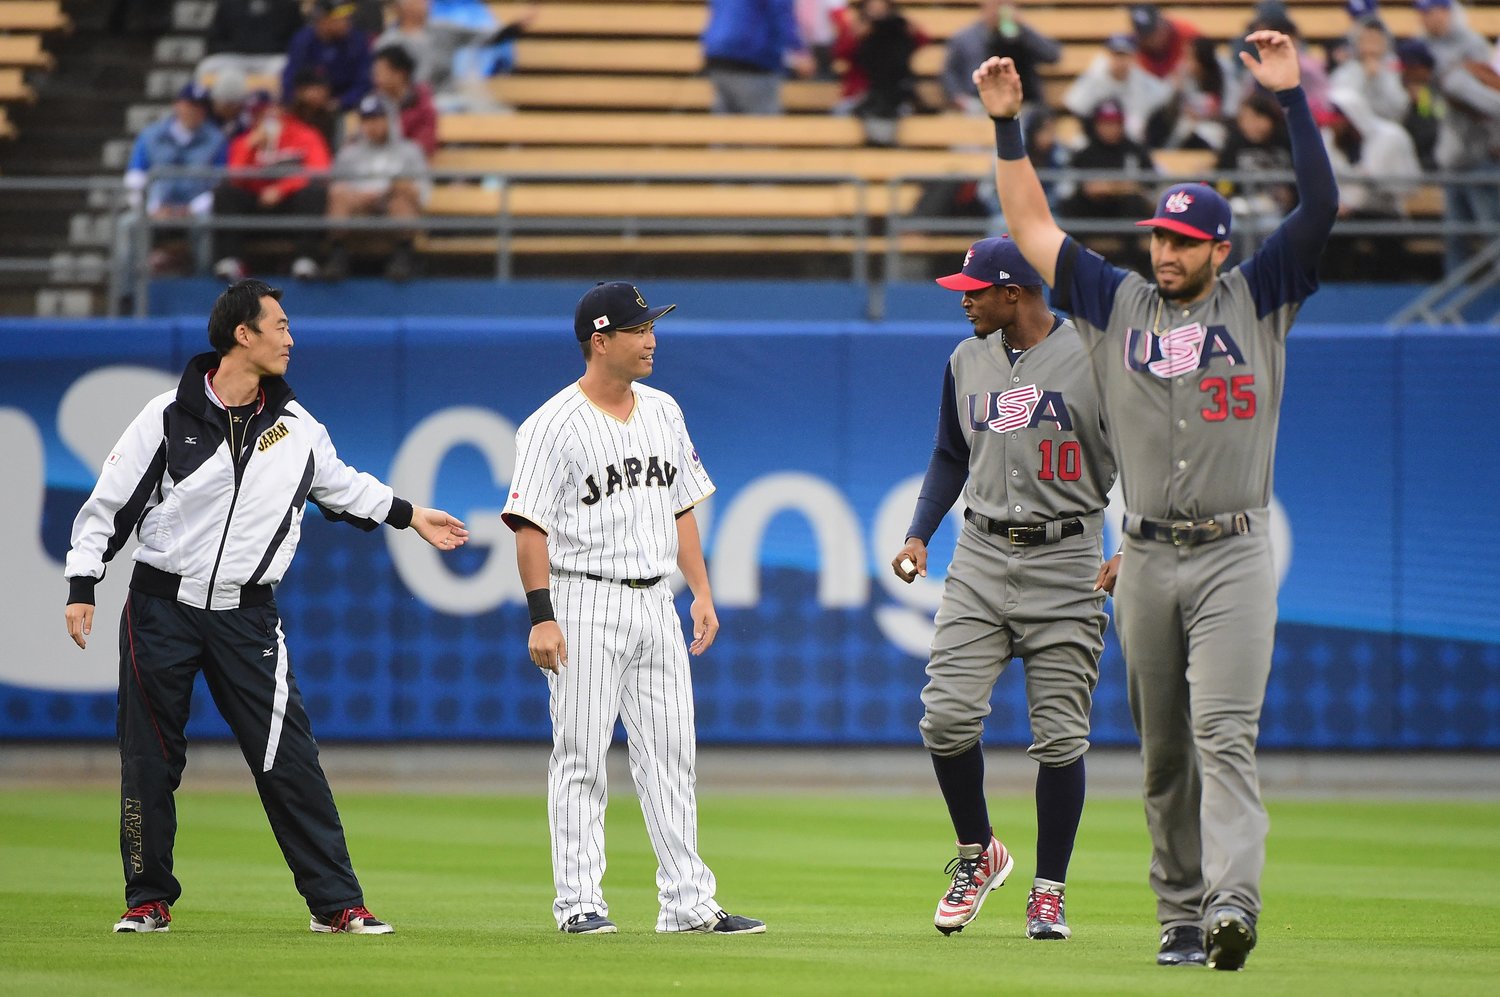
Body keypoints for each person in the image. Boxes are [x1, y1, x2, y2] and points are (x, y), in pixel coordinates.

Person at [975, 28, 1337, 971]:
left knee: (1225, 733)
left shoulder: (1260, 296)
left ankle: (1233, 906)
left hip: (1232, 550)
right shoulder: (1116, 301)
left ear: (1219, 245)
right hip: (1143, 553)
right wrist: (1009, 129)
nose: (1165, 249)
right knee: (1165, 749)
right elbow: (1033, 230)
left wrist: (1293, 98)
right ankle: (1179, 913)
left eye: (1182, 240)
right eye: (1158, 236)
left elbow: (1321, 205)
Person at [63, 279, 470, 936]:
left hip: (248, 617)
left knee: (290, 758)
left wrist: (411, 514)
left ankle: (336, 903)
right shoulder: (165, 415)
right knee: (148, 758)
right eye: (278, 324)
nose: (290, 336)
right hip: (159, 608)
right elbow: (109, 506)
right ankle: (146, 898)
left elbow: (343, 487)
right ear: (241, 335)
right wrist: (83, 583)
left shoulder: (299, 428)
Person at [501, 282, 764, 937]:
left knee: (672, 756)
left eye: (651, 328)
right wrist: (541, 614)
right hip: (583, 596)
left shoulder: (664, 410)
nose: (651, 339)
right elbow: (528, 527)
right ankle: (579, 902)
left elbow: (682, 507)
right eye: (637, 329)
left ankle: (688, 902)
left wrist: (700, 590)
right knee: (582, 754)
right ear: (600, 338)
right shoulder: (551, 423)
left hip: (656, 602)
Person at [890, 237, 1119, 941]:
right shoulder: (966, 359)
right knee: (946, 717)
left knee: (1060, 738)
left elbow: (1148, 450)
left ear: (1013, 291)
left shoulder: (1094, 355)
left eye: (975, 289)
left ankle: (1048, 891)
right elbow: (948, 453)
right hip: (982, 553)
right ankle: (977, 851)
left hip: (1069, 555)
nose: (964, 299)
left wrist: (1133, 541)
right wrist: (919, 531)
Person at [213, 92, 333, 282]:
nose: (263, 118)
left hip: (291, 205)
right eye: (257, 114)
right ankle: (231, 260)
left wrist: (282, 189)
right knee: (225, 193)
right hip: (255, 205)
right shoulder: (243, 141)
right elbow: (234, 178)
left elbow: (320, 172)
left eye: (267, 112)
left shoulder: (305, 135)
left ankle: (306, 259)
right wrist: (249, 146)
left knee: (314, 193)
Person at [122, 83, 228, 276]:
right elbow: (134, 178)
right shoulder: (150, 136)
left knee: (207, 225)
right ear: (177, 105)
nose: (195, 111)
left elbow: (221, 183)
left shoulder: (216, 139)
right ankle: (128, 294)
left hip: (196, 209)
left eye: (201, 107)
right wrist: (151, 208)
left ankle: (201, 285)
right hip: (156, 207)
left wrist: (193, 208)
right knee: (128, 224)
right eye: (190, 105)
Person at [325, 94, 429, 282]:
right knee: (338, 193)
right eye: (366, 120)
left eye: (377, 118)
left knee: (403, 191)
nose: (371, 125)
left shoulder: (410, 151)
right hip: (359, 205)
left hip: (393, 204)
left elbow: (422, 192)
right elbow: (337, 185)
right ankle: (338, 254)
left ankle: (404, 253)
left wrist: (391, 190)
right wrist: (360, 195)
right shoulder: (349, 154)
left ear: (390, 120)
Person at [376, 0, 538, 106]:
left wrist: (515, 27)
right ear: (402, 7)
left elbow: (487, 38)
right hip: (405, 105)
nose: (426, 4)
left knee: (487, 109)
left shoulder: (443, 29)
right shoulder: (388, 42)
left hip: (448, 97)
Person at [942, 1, 1059, 115]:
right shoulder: (964, 38)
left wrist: (1023, 28)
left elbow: (1052, 55)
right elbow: (950, 74)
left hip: (1022, 103)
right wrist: (959, 98)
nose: (998, 8)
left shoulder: (1021, 36)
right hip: (977, 104)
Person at [701, 0, 815, 115]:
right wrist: (799, 50)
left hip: (717, 52)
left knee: (724, 125)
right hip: (751, 56)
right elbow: (781, 15)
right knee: (763, 124)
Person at [1064, 33, 1174, 148]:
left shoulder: (1140, 79)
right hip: (1096, 137)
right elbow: (1075, 105)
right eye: (1116, 55)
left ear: (1133, 57)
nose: (1120, 61)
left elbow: (1163, 95)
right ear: (1108, 56)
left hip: (1130, 139)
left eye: (1124, 55)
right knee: (1078, 143)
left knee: (1136, 130)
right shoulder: (1094, 75)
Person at [281, 0, 373, 115]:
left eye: (346, 17)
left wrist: (342, 102)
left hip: (347, 107)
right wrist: (303, 97)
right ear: (323, 20)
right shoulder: (304, 41)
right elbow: (290, 78)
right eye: (339, 18)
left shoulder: (357, 41)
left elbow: (365, 82)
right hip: (308, 104)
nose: (346, 22)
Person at [369, 44, 439, 160]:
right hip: (375, 165)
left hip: (409, 167)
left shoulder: (422, 104)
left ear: (400, 73)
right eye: (375, 73)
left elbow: (425, 145)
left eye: (381, 72)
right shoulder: (373, 102)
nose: (376, 79)